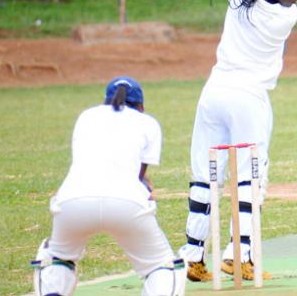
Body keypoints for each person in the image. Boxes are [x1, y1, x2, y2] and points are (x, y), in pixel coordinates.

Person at [179, 0, 297, 282]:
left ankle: (192, 256)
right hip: (249, 98)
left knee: (204, 176)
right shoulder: (285, 16)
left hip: (214, 92)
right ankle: (237, 255)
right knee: (249, 179)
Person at [31, 77, 186, 296]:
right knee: (162, 266)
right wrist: (144, 186)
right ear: (141, 106)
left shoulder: (86, 116)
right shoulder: (148, 123)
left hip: (73, 200)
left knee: (58, 257)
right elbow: (139, 176)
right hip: (127, 203)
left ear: (107, 100)